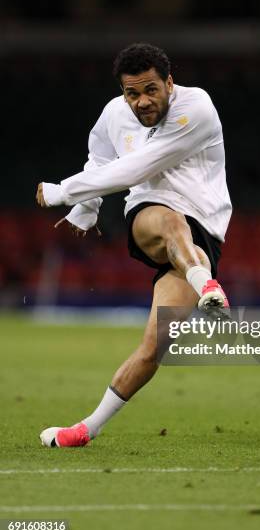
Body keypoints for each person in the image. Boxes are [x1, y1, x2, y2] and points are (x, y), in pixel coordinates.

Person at [36, 43, 232, 448]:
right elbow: (102, 159)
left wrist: (63, 192)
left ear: (169, 83)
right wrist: (85, 211)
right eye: (132, 93)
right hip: (150, 216)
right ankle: (206, 285)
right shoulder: (113, 114)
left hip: (204, 235)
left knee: (152, 348)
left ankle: (87, 428)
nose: (141, 101)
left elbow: (138, 166)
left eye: (150, 90)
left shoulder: (196, 108)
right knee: (169, 219)